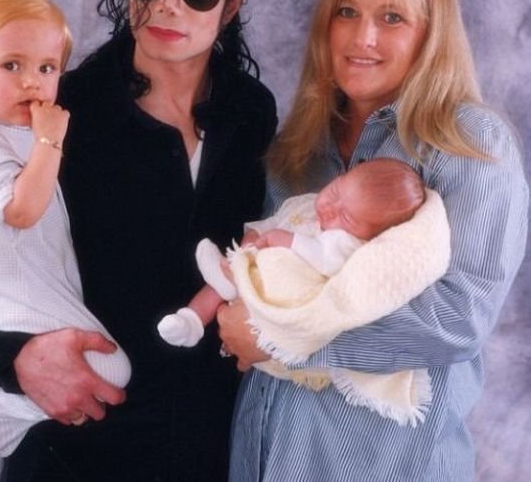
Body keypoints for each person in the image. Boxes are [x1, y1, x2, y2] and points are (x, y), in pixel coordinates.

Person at [0, 0, 277, 481]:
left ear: (233, 3)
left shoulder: (250, 112)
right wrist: (15, 359)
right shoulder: (60, 112)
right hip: (75, 448)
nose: (167, 4)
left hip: (207, 448)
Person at [217, 0, 528, 481]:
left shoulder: (470, 146)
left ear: (429, 35)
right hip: (267, 457)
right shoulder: (297, 149)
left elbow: (458, 318)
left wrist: (282, 339)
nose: (363, 37)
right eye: (347, 12)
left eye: (392, 18)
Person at [0, 0, 132, 482]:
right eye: (12, 65)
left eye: (47, 68)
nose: (32, 82)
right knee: (112, 369)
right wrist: (50, 141)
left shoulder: (9, 133)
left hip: (36, 288)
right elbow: (22, 210)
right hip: (13, 300)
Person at [159, 157, 451, 427]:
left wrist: (285, 240)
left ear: (370, 235)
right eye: (335, 192)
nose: (329, 208)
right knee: (225, 282)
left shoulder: (348, 245)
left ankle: (227, 314)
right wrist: (253, 238)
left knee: (230, 282)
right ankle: (192, 319)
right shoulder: (307, 206)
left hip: (286, 309)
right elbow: (272, 222)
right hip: (251, 291)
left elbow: (323, 257)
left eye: (346, 217)